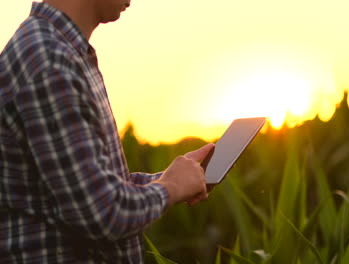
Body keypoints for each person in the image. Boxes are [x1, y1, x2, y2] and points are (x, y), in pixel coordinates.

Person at [0, 0, 214, 262]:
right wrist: (170, 187)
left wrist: (177, 178)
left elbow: (97, 187)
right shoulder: (50, 62)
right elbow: (102, 212)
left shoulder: (61, 51)